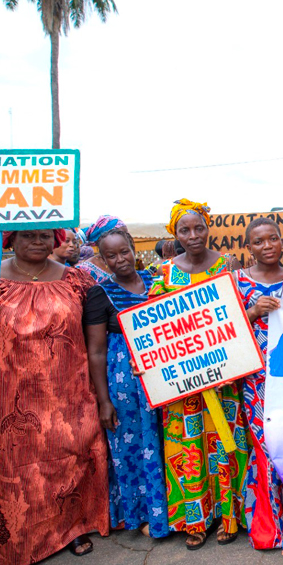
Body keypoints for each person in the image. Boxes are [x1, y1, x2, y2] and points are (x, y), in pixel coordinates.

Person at [0, 229, 109, 565]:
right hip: (9, 392)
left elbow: (98, 337)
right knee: (14, 471)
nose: (38, 242)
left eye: (45, 236)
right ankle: (15, 543)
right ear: (10, 240)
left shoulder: (76, 280)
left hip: (67, 391)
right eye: (28, 236)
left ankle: (69, 530)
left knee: (66, 460)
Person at [149, 199, 247, 550]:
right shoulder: (162, 273)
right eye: (184, 230)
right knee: (187, 449)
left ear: (209, 228)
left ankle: (229, 515)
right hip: (182, 383)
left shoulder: (228, 265)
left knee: (224, 444)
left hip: (223, 377)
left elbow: (238, 316)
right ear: (173, 234)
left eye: (199, 228)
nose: (193, 236)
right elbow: (154, 326)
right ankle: (196, 520)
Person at [83, 228, 170, 540]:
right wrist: (104, 401)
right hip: (126, 383)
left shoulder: (157, 281)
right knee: (135, 448)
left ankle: (175, 511)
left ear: (135, 249)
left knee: (165, 442)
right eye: (111, 255)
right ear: (103, 259)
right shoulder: (100, 293)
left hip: (163, 373)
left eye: (124, 252)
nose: (120, 259)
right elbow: (95, 351)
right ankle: (144, 515)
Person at [233, 218, 283, 550]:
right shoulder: (236, 281)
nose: (267, 246)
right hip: (255, 377)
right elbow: (221, 328)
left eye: (273, 239)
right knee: (264, 443)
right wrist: (253, 312)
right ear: (248, 247)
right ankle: (268, 521)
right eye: (259, 241)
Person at [75, 215, 128, 283]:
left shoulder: (126, 263)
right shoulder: (84, 270)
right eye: (120, 235)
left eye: (127, 235)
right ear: (102, 239)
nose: (125, 239)